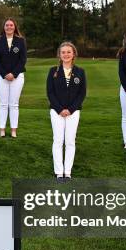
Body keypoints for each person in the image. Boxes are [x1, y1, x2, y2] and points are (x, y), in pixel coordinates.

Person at [47, 42, 86, 182]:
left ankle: (67, 172)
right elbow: (50, 92)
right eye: (63, 52)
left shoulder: (80, 72)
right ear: (59, 54)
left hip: (73, 112)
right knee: (58, 141)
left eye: (69, 52)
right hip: (56, 111)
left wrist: (70, 109)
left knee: (70, 141)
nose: (66, 54)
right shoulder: (53, 71)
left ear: (73, 54)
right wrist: (60, 109)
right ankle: (59, 172)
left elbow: (82, 94)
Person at [0, 17, 27, 138]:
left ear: (15, 27)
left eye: (11, 25)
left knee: (14, 104)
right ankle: (2, 129)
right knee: (3, 104)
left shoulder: (20, 41)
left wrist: (14, 74)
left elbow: (23, 60)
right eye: (7, 25)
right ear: (4, 27)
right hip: (2, 77)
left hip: (17, 77)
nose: (9, 27)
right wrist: (5, 74)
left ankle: (13, 130)